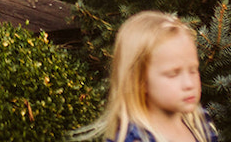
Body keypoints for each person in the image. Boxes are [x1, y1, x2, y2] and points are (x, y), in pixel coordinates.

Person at [78, 10, 220, 142]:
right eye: (173, 74)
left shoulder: (200, 123)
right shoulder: (136, 138)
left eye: (193, 70)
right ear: (140, 81)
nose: (189, 84)